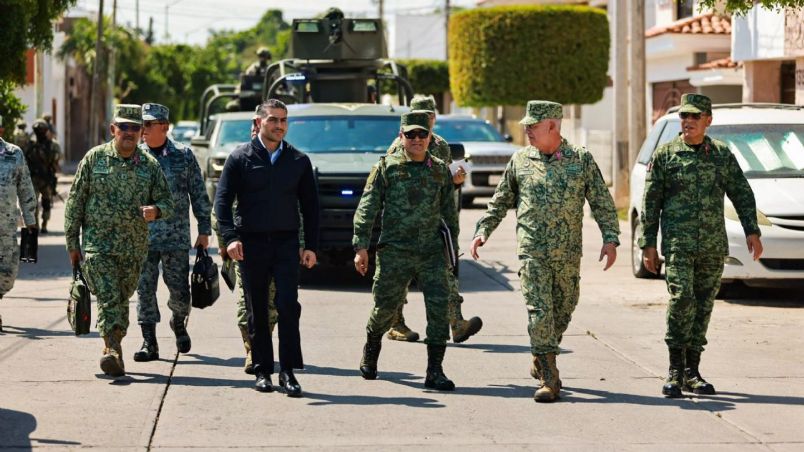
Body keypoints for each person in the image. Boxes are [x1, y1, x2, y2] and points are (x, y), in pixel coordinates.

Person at [470, 100, 619, 403]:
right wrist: (483, 230)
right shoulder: (520, 161)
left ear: (552, 125)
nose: (527, 131)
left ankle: (541, 355)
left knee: (563, 310)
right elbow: (500, 201)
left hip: (567, 254)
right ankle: (550, 378)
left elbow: (601, 201)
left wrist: (611, 238)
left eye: (533, 126)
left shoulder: (581, 160)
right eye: (525, 126)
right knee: (539, 314)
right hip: (532, 252)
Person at [638, 93, 763, 398]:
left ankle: (692, 371)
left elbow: (741, 192)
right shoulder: (666, 155)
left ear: (708, 120)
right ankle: (674, 371)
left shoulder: (721, 154)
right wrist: (648, 244)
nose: (688, 122)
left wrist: (752, 230)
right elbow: (650, 203)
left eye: (695, 117)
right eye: (684, 116)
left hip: (711, 245)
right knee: (682, 300)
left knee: (703, 306)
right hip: (679, 245)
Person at [215, 98, 319, 396]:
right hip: (252, 244)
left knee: (288, 306)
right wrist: (230, 238)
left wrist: (310, 245)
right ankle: (263, 370)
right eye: (273, 119)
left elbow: (311, 207)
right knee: (256, 309)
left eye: (284, 120)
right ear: (259, 122)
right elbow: (222, 202)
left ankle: (288, 372)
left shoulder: (298, 160)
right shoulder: (240, 158)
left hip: (286, 243)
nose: (279, 126)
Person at [64, 104, 174, 377]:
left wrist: (156, 210)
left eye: (134, 128)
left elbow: (167, 202)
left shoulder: (149, 166)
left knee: (122, 298)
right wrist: (72, 244)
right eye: (123, 127)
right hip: (98, 247)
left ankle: (116, 347)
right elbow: (75, 202)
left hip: (133, 249)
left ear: (141, 133)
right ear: (113, 129)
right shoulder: (94, 159)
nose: (128, 132)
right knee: (109, 297)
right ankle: (111, 349)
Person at [353, 111, 458, 391]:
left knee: (437, 310)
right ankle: (372, 347)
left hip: (432, 253)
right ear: (401, 137)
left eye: (422, 134)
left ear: (430, 138)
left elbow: (449, 213)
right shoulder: (387, 167)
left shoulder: (439, 170)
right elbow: (368, 207)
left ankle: (435, 371)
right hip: (395, 252)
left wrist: (453, 251)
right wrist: (361, 246)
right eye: (410, 134)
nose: (416, 140)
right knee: (385, 308)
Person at [384, 95, 482, 345]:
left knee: (445, 272)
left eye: (429, 114)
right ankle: (395, 323)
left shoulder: (441, 144)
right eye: (420, 114)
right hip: (407, 224)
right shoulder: (399, 146)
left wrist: (456, 181)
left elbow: (444, 183)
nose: (425, 119)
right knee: (400, 277)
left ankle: (457, 323)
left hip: (439, 222)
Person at [133, 103, 211, 362]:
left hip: (175, 237)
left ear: (164, 127)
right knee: (144, 289)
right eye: (141, 124)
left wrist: (204, 228)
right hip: (143, 238)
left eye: (148, 124)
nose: (142, 129)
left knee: (179, 290)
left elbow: (198, 193)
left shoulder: (183, 155)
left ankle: (178, 322)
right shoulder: (134, 155)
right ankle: (149, 341)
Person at [0, 127, 38, 332]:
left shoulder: (14, 153)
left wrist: (30, 219)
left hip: (6, 226)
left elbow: (25, 186)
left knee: (8, 273)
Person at [24, 119, 61, 233]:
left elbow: (56, 159)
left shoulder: (51, 145)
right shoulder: (31, 144)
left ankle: (43, 224)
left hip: (45, 178)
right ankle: (38, 225)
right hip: (34, 178)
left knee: (45, 202)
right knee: (36, 202)